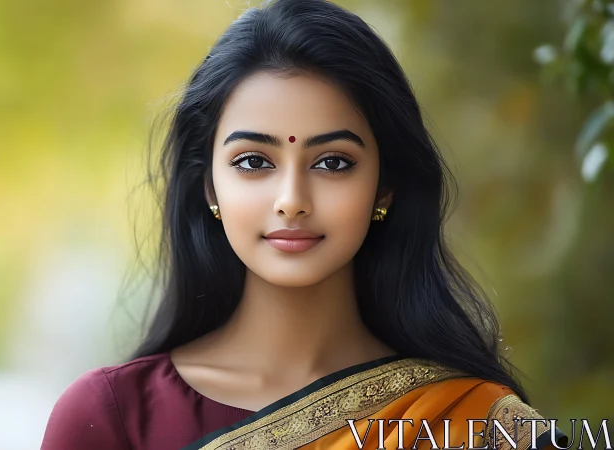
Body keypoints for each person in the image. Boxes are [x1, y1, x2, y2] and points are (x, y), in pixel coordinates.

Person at [41, 0, 569, 448]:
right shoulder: (113, 418)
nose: (292, 201)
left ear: (384, 186)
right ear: (209, 187)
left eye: (333, 162)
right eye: (253, 162)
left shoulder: (471, 422)